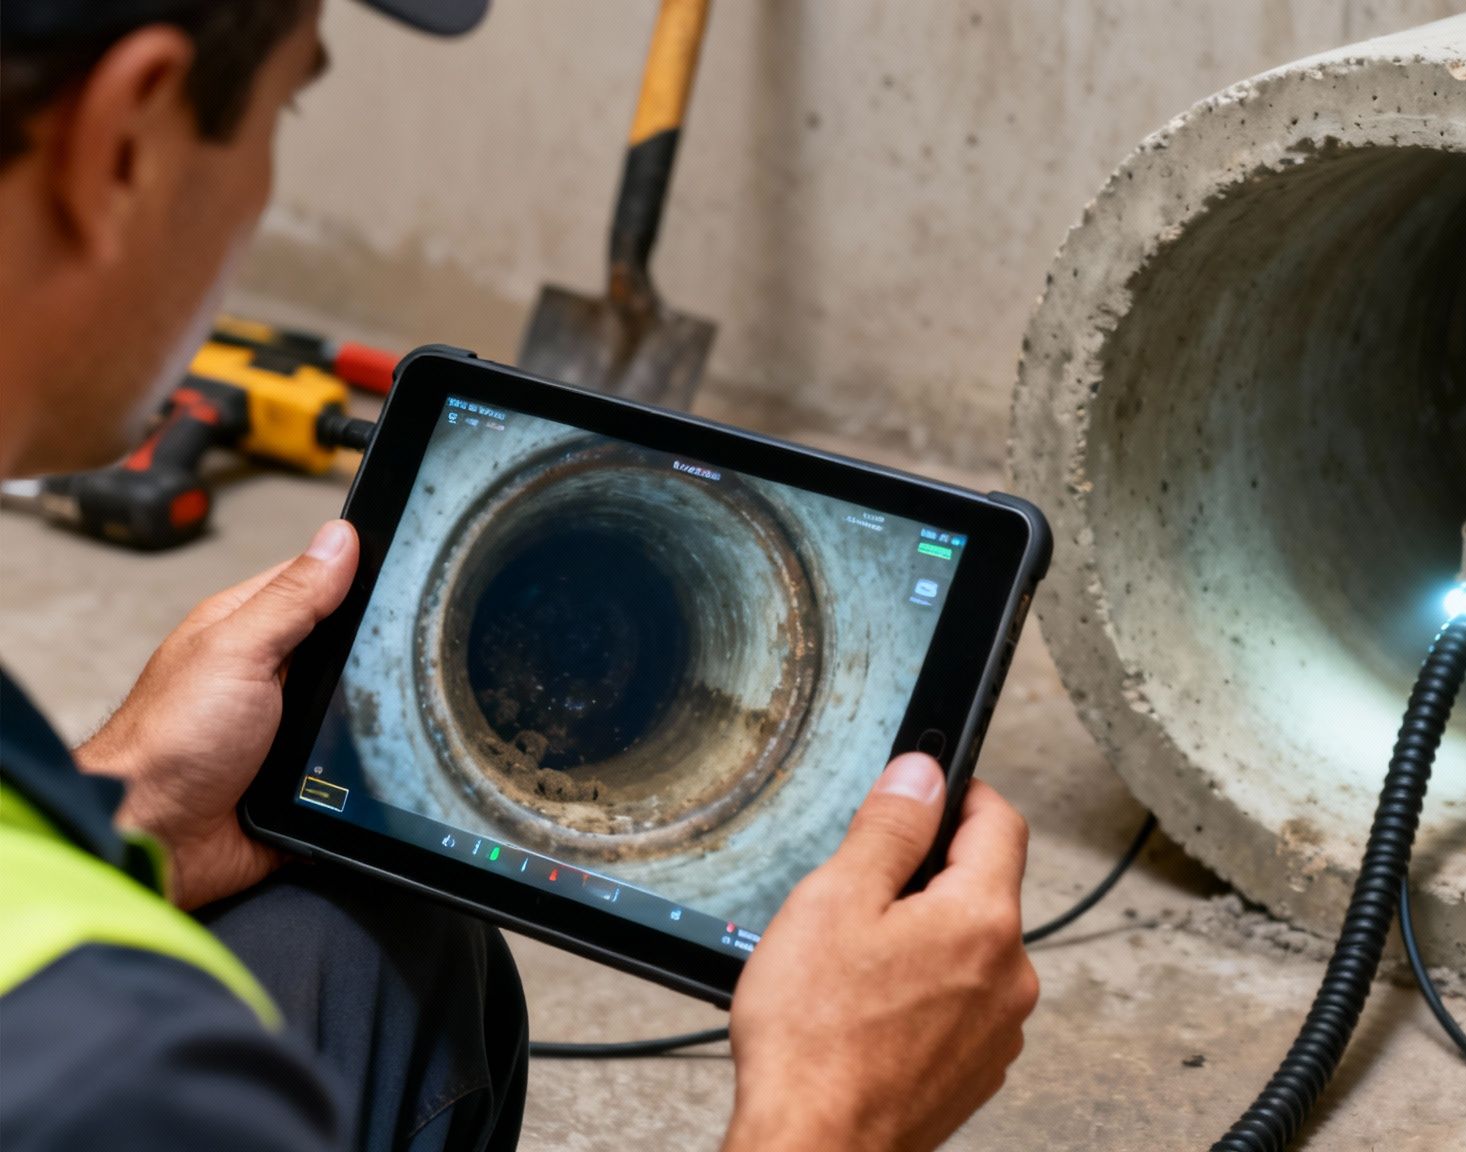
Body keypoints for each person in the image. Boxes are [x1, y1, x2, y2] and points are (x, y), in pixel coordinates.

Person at [0, 2, 1040, 1149]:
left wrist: (128, 807)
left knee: (369, 932)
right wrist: (833, 1116)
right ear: (123, 143)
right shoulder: (109, 1075)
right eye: (284, 110)